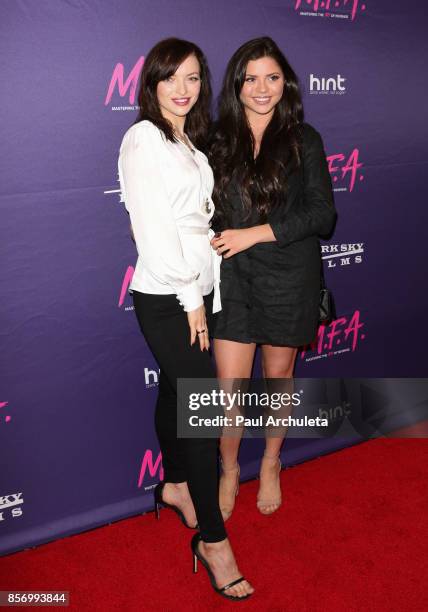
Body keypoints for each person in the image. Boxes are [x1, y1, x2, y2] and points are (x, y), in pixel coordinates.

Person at [118, 38, 254, 600]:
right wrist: (191, 299)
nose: (183, 89)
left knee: (179, 395)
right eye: (172, 77)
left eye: (194, 78)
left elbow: (194, 221)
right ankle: (213, 542)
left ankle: (174, 485)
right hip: (169, 296)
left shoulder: (189, 144)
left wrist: (211, 277)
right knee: (200, 409)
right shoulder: (143, 138)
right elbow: (151, 229)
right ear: (151, 83)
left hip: (199, 292)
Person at [209, 37, 336, 520]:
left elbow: (323, 216)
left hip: (288, 276)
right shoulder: (217, 138)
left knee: (277, 381)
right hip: (234, 279)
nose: (262, 89)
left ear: (287, 82)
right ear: (236, 83)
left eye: (273, 77)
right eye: (251, 78)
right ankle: (227, 469)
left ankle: (269, 463)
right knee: (229, 390)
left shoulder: (305, 139)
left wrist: (252, 234)